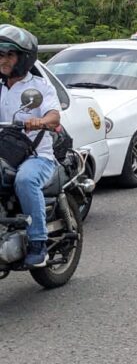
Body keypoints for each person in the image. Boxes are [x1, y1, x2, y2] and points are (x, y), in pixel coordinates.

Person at [0, 24, 61, 267]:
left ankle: (38, 243)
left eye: (9, 54)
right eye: (0, 54)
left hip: (36, 156)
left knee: (25, 180)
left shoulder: (39, 87)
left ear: (23, 58)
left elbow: (54, 117)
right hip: (5, 154)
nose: (3, 60)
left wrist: (40, 121)